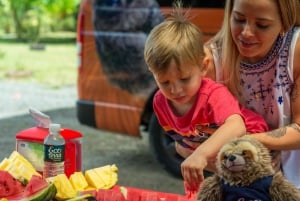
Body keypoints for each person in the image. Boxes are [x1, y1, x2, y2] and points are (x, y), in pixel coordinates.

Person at [144, 2, 269, 191]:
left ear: (203, 67)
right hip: (222, 158)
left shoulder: (213, 94)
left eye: (184, 79)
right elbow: (183, 143)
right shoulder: (160, 103)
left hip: (254, 141)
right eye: (165, 82)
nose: (175, 90)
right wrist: (192, 152)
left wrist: (200, 154)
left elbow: (236, 125)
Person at [176, 0, 300, 190]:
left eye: (262, 25)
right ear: (229, 14)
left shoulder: (296, 50)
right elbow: (183, 142)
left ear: (284, 24)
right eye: (239, 19)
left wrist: (248, 143)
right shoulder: (208, 62)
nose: (246, 33)